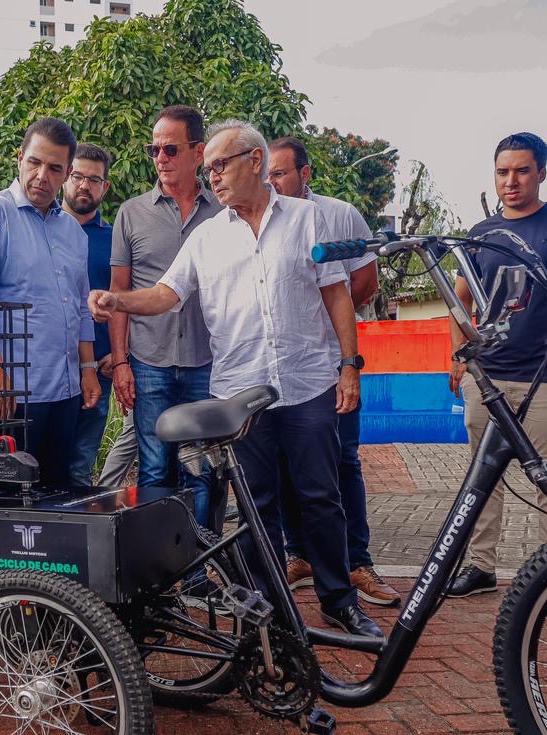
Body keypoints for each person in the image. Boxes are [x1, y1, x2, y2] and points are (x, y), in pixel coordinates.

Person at [89, 119, 381, 640]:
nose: (213, 177)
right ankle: (268, 613)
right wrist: (119, 301)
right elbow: (167, 294)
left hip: (308, 382)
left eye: (220, 165)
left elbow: (337, 293)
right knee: (255, 506)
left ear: (255, 161)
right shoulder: (207, 237)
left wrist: (348, 365)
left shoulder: (307, 219)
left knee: (321, 497)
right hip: (241, 395)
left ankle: (339, 601)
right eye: (209, 170)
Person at [446, 132, 547, 615]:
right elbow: (459, 297)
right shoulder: (481, 232)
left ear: (541, 172)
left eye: (521, 170)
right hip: (488, 377)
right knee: (482, 477)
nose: (511, 181)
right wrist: (459, 354)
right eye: (502, 172)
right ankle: (480, 567)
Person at [268, 136, 400, 607]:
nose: (272, 183)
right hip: (282, 369)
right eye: (267, 175)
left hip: (331, 363)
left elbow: (365, 279)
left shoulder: (339, 215)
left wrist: (327, 321)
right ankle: (299, 555)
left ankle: (357, 562)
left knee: (343, 461)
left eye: (280, 173)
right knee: (285, 463)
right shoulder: (258, 222)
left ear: (304, 173)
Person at [0, 117, 102, 489]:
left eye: (54, 168)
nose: (42, 176)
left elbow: (80, 307)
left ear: (66, 174)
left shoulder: (72, 231)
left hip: (65, 389)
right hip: (13, 389)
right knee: (11, 496)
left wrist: (87, 369)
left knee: (57, 491)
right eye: (35, 162)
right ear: (20, 158)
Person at [107, 105, 222, 526]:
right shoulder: (132, 213)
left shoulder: (223, 213)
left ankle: (201, 560)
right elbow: (119, 294)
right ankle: (158, 561)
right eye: (153, 149)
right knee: (154, 470)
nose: (160, 158)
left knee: (202, 471)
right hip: (149, 362)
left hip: (207, 364)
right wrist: (121, 363)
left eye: (170, 149)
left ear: (198, 152)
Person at [63, 143, 116, 487]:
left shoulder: (115, 239)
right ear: (65, 177)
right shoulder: (43, 230)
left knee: (80, 468)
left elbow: (127, 298)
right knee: (41, 467)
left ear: (104, 186)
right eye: (77, 176)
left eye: (94, 179)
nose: (84, 185)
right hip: (52, 370)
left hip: (99, 368)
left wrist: (121, 353)